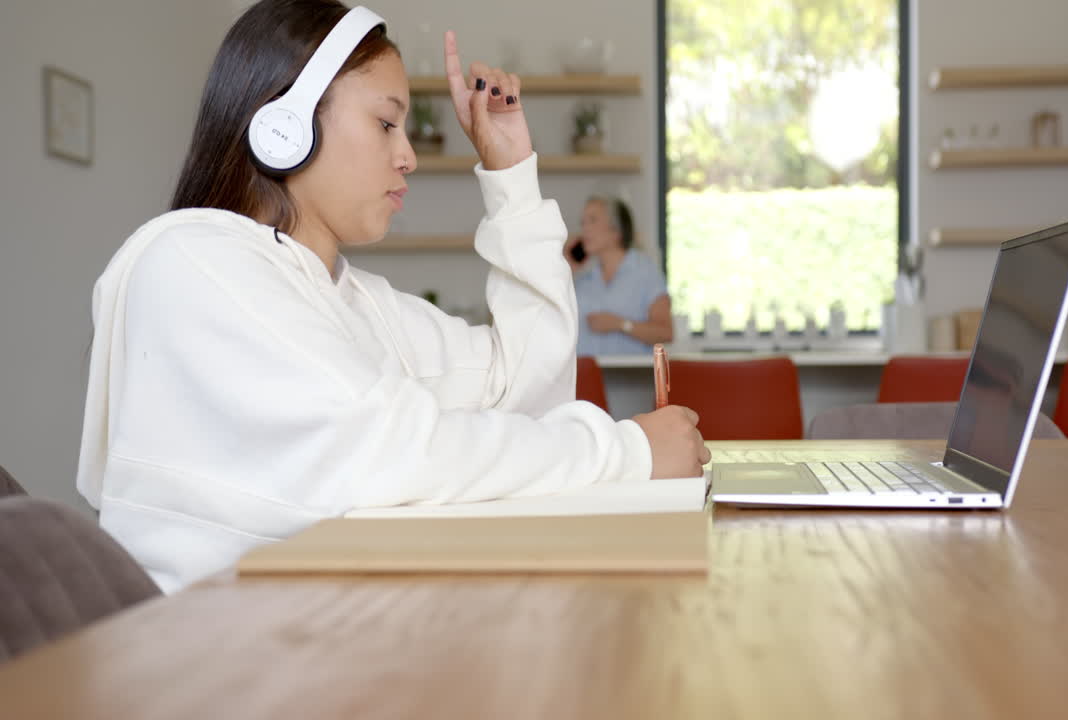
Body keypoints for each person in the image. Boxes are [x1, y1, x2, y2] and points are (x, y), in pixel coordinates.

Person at [75, 0, 708, 593]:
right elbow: (393, 456)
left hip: (324, 637)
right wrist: (629, 451)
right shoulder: (193, 260)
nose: (408, 155)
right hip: (208, 671)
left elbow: (525, 391)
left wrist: (512, 175)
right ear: (284, 127)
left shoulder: (354, 300)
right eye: (386, 123)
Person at [566, 196, 673, 356]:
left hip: (628, 378)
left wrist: (620, 324)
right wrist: (565, 269)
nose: (585, 229)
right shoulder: (581, 279)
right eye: (583, 223)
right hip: (586, 378)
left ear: (616, 230)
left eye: (592, 220)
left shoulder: (646, 273)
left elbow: (665, 333)